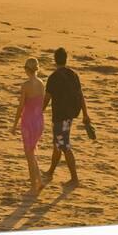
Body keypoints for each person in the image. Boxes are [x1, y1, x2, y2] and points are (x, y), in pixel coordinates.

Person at [43, 47, 90, 187]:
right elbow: (80, 95)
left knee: (64, 146)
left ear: (55, 60)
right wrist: (85, 114)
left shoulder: (53, 78)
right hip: (70, 115)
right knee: (57, 144)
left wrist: (38, 113)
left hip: (59, 116)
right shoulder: (73, 75)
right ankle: (50, 172)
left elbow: (46, 99)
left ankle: (74, 178)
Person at [11, 57, 45, 194]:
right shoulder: (41, 83)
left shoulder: (25, 85)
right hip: (39, 121)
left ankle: (33, 186)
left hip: (28, 121)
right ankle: (40, 180)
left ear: (26, 69)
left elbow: (21, 107)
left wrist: (14, 124)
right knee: (32, 152)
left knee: (29, 154)